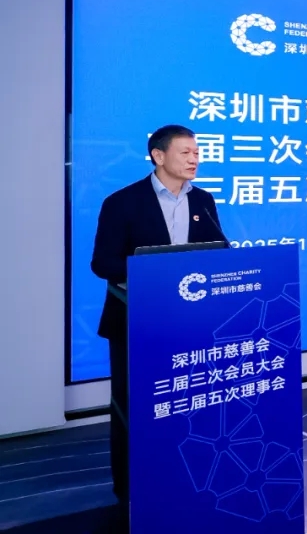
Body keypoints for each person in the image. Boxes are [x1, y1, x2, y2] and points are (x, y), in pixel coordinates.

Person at [90, 125, 226, 517]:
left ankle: (186, 478)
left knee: (186, 403)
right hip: (136, 322)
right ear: (158, 156)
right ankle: (130, 491)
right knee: (133, 408)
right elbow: (102, 263)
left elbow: (218, 251)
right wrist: (154, 273)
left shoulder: (203, 200)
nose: (194, 159)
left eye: (197, 152)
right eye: (186, 152)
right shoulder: (123, 202)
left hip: (188, 323)